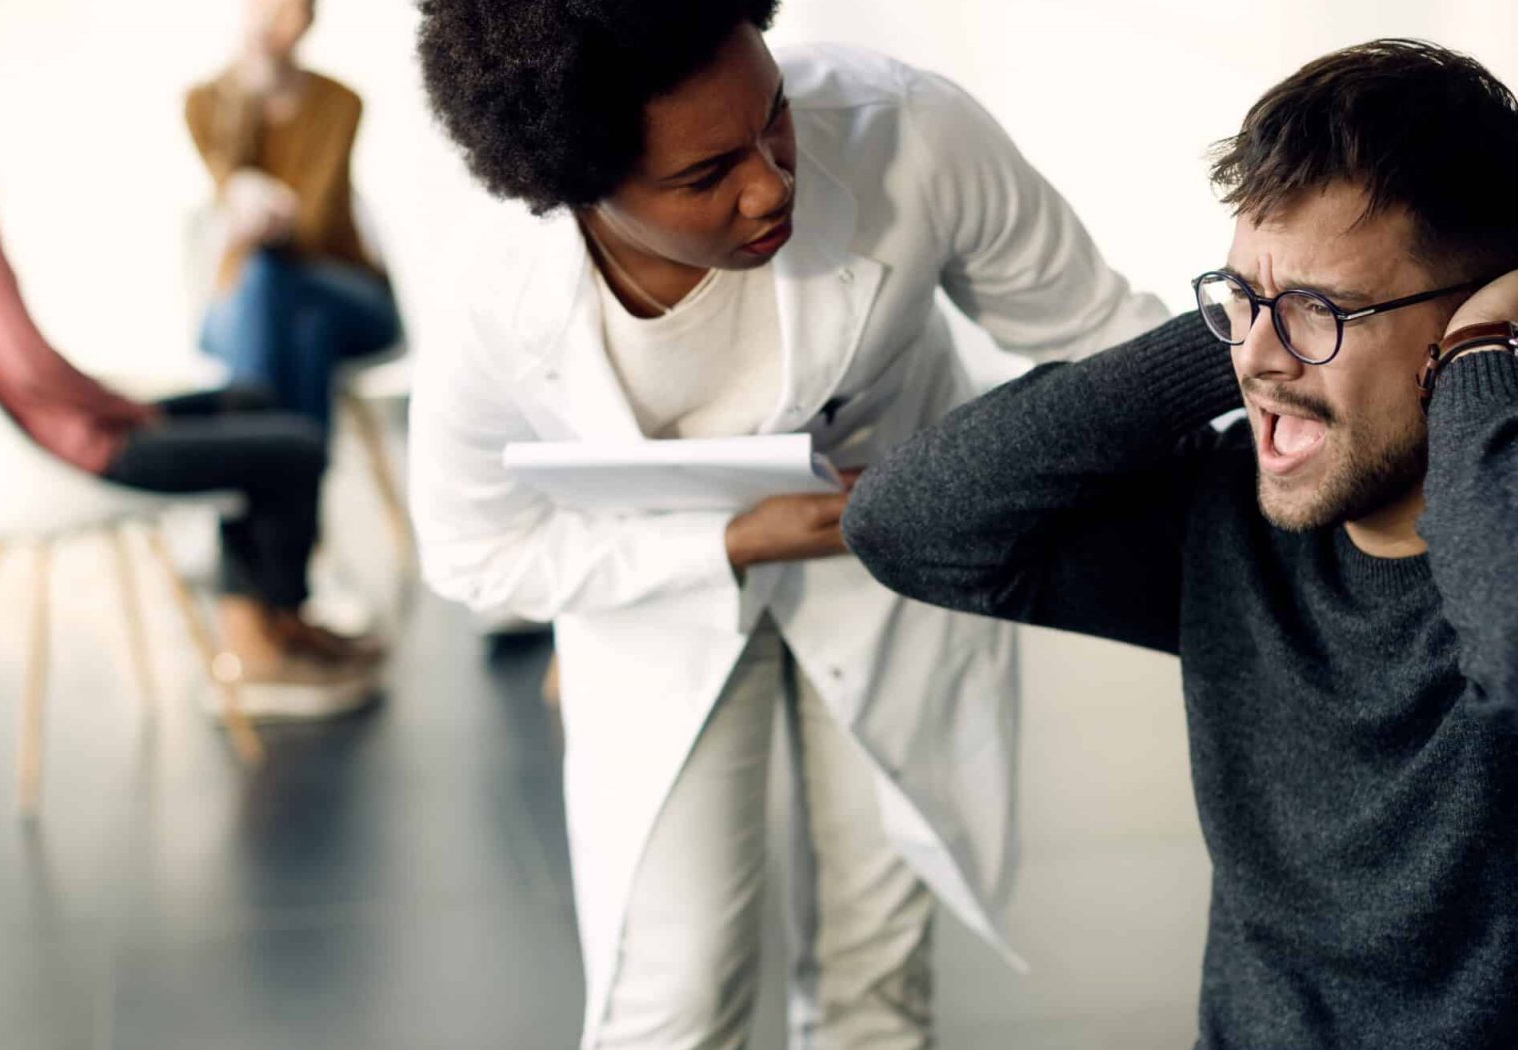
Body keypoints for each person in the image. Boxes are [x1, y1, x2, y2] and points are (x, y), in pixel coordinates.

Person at [845, 39, 1518, 1049]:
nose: (1254, 355)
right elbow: (908, 525)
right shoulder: (1232, 526)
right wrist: (1236, 329)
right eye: (1239, 298)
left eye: (1318, 310)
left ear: (1477, 325)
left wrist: (1482, 364)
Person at [409, 0, 1167, 1045]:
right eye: (702, 175)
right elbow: (473, 552)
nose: (770, 184)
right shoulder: (494, 297)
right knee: (668, 997)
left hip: (892, 581)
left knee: (876, 971)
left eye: (773, 121)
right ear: (580, 188)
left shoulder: (904, 130)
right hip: (655, 603)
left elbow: (1105, 343)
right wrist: (734, 539)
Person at [0, 0, 380, 715]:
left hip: (16, 436)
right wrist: (125, 407)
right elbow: (27, 365)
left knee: (253, 401)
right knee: (295, 444)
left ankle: (279, 622)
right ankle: (257, 646)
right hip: (66, 446)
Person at [185, 0, 401, 436]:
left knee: (273, 281)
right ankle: (297, 481)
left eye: (283, 10)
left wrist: (270, 223)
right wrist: (241, 98)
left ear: (307, 19)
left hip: (342, 285)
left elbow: (315, 224)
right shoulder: (204, 102)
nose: (268, 20)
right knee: (303, 326)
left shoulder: (340, 102)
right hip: (253, 299)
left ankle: (253, 475)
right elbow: (227, 183)